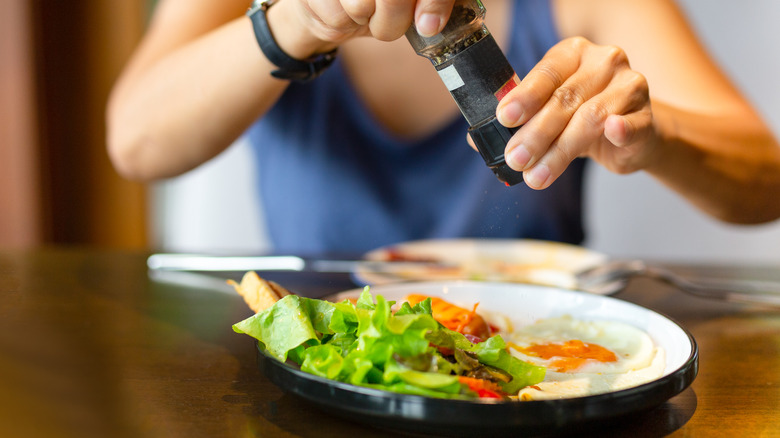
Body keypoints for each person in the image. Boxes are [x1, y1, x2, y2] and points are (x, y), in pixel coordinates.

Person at [106, 0, 780, 254]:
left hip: (545, 369)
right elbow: (135, 141)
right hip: (323, 376)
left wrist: (653, 135)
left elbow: (765, 181)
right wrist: (293, 24)